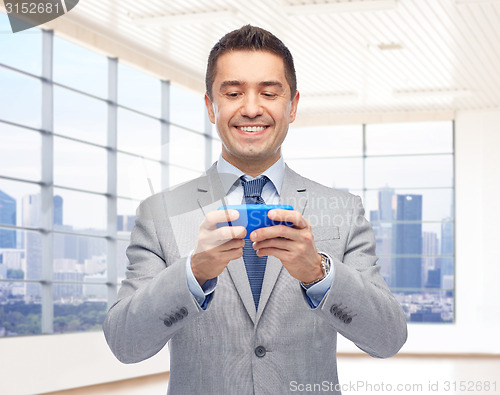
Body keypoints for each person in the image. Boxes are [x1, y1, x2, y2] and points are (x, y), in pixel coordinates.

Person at [103, 25, 407, 394]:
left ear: (292, 106)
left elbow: (388, 338)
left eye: (268, 93)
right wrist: (194, 273)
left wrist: (318, 272)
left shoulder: (342, 211)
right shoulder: (161, 213)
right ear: (210, 106)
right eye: (232, 93)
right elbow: (124, 343)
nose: (250, 108)